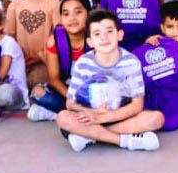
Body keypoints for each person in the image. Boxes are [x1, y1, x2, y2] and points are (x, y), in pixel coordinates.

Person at [54, 9, 164, 151]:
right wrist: (92, 113)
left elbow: (137, 105)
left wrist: (101, 118)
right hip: (89, 116)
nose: (104, 38)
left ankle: (90, 135)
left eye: (109, 31)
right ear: (90, 41)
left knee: (156, 118)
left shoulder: (131, 62)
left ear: (120, 35)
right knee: (63, 117)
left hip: (119, 116)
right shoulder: (83, 63)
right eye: (97, 34)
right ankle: (124, 141)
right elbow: (70, 103)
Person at [26, 0, 90, 122]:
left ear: (89, 14)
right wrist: (72, 99)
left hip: (92, 92)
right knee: (38, 93)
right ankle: (74, 114)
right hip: (67, 92)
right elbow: (54, 79)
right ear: (60, 18)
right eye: (66, 14)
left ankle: (63, 114)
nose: (72, 18)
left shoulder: (96, 37)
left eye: (78, 12)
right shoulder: (55, 41)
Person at [3, 0, 61, 90]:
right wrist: (18, 55)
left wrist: (40, 57)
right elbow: (9, 36)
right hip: (19, 58)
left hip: (45, 60)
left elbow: (58, 37)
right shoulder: (15, 5)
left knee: (35, 81)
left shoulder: (55, 4)